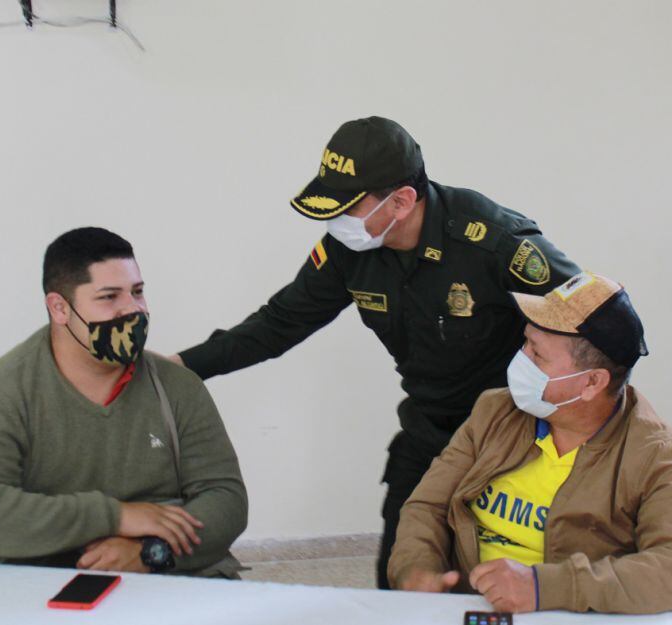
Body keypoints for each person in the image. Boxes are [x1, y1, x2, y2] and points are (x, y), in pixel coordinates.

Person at [170, 116, 581, 588]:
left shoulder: (491, 239)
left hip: (514, 437)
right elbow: (280, 323)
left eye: (347, 207)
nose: (335, 221)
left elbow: (592, 318)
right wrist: (184, 366)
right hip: (429, 429)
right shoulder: (349, 251)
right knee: (400, 577)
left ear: (402, 201)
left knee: (498, 583)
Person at [388, 272, 672, 613]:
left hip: (570, 614)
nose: (521, 360)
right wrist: (417, 566)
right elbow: (428, 505)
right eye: (525, 342)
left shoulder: (655, 454)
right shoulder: (495, 411)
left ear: (591, 383)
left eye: (537, 355)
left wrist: (544, 588)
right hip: (472, 608)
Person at [0, 227, 247, 577]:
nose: (132, 310)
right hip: (39, 585)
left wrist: (149, 553)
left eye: (137, 292)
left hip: (167, 578)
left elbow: (226, 500)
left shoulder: (176, 386)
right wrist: (118, 516)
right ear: (59, 308)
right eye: (109, 297)